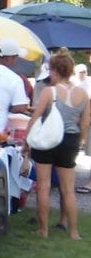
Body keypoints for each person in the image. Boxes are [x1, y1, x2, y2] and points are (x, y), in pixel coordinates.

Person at [27, 49, 89, 237]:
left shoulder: (49, 91)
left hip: (48, 139)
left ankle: (43, 229)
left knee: (44, 186)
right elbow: (85, 122)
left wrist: (26, 140)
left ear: (55, 70)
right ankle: (74, 231)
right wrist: (79, 142)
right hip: (69, 140)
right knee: (68, 190)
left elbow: (36, 116)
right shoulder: (83, 94)